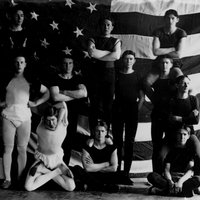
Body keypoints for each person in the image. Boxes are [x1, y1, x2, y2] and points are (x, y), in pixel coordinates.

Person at [0, 52, 50, 189]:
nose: (19, 65)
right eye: (17, 62)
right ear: (13, 64)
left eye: (22, 62)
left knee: (22, 148)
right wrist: (2, 104)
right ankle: (7, 179)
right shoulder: (6, 80)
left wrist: (36, 103)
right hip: (8, 116)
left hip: (25, 116)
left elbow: (47, 93)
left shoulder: (31, 81)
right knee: (7, 148)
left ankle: (21, 178)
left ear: (26, 64)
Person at [24, 102, 75, 191]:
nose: (51, 123)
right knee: (28, 187)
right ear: (44, 120)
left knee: (71, 187)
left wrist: (58, 122)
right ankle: (55, 171)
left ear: (57, 118)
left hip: (57, 160)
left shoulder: (63, 124)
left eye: (53, 120)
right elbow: (59, 109)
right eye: (48, 120)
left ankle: (45, 171)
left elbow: (63, 104)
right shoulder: (41, 125)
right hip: (41, 159)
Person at [50, 54, 88, 165]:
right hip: (57, 116)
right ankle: (53, 169)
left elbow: (84, 93)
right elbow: (55, 97)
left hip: (72, 115)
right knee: (56, 142)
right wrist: (75, 95)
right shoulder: (55, 77)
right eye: (65, 63)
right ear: (61, 65)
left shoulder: (78, 79)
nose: (68, 66)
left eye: (70, 63)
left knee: (68, 143)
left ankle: (64, 168)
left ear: (73, 65)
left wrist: (63, 91)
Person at [112, 50, 144, 179]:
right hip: (117, 110)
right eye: (126, 59)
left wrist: (136, 109)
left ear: (134, 61)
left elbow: (141, 97)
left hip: (131, 111)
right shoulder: (116, 75)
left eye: (131, 59)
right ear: (122, 60)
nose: (128, 61)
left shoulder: (138, 76)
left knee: (129, 142)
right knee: (117, 141)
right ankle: (117, 170)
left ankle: (126, 173)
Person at [87, 16, 121, 135]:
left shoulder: (115, 41)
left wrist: (99, 56)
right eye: (103, 25)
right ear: (99, 26)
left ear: (112, 27)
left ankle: (105, 133)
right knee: (94, 104)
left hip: (109, 74)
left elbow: (116, 56)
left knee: (108, 105)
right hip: (95, 74)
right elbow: (91, 53)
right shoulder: (93, 39)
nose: (106, 27)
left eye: (108, 25)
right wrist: (109, 54)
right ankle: (92, 133)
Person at [143, 9, 186, 102]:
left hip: (174, 63)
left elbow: (178, 54)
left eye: (172, 18)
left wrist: (162, 50)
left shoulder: (180, 33)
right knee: (145, 83)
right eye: (168, 18)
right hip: (159, 63)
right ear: (164, 19)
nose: (170, 21)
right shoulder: (158, 32)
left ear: (177, 19)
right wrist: (172, 48)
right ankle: (156, 102)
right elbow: (155, 52)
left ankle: (177, 104)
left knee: (183, 82)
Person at [147, 126, 200, 197]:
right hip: (171, 178)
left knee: (198, 180)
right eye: (179, 134)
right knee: (152, 176)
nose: (182, 137)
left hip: (183, 179)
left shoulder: (190, 150)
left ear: (188, 136)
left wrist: (180, 182)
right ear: (176, 135)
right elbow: (166, 169)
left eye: (184, 134)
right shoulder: (171, 149)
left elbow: (190, 170)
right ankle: (184, 192)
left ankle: (162, 191)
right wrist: (170, 182)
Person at [75, 119, 120, 192]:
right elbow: (87, 168)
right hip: (92, 175)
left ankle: (92, 185)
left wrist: (94, 167)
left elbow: (114, 168)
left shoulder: (112, 147)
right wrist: (106, 164)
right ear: (93, 132)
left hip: (104, 175)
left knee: (120, 174)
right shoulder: (87, 147)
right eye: (97, 131)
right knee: (77, 169)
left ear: (106, 132)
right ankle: (103, 187)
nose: (100, 134)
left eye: (102, 131)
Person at [150, 55, 176, 174]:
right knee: (156, 146)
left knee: (170, 145)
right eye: (162, 63)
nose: (164, 65)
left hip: (170, 117)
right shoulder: (155, 79)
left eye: (167, 63)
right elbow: (146, 87)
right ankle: (156, 175)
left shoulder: (174, 79)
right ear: (159, 65)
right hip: (157, 115)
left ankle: (169, 174)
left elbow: (188, 90)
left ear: (171, 65)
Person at [0, 5, 35, 72]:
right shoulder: (4, 32)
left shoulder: (27, 33)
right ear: (11, 16)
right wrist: (9, 49)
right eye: (17, 16)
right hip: (7, 67)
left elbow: (30, 54)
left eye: (22, 16)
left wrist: (23, 49)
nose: (20, 18)